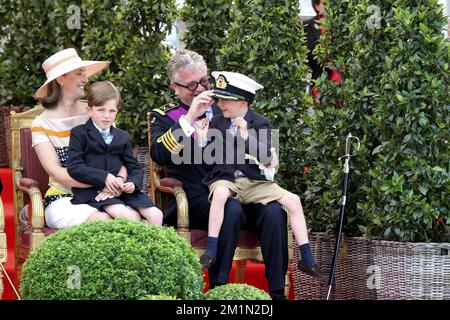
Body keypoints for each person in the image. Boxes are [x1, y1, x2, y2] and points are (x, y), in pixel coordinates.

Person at [149, 49, 289, 300]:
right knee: (229, 209)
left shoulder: (229, 105)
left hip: (243, 186)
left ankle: (277, 293)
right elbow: (159, 154)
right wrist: (190, 117)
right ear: (175, 88)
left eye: (204, 81)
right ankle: (219, 291)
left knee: (274, 212)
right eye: (191, 84)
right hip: (199, 193)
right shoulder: (166, 117)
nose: (200, 88)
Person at [195, 71, 326, 280]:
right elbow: (208, 158)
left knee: (293, 201)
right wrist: (202, 139)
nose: (219, 104)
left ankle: (307, 258)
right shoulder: (218, 122)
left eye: (225, 100)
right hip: (227, 179)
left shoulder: (259, 122)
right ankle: (211, 250)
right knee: (220, 195)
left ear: (243, 102)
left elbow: (266, 157)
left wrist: (247, 136)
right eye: (219, 99)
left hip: (254, 182)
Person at [32, 48, 120, 228]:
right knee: (103, 221)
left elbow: (118, 155)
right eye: (79, 74)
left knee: (134, 216)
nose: (86, 80)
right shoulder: (42, 123)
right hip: (64, 199)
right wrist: (102, 181)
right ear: (61, 79)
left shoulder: (97, 112)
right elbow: (57, 172)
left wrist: (115, 183)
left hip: (105, 192)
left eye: (85, 74)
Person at [67, 81, 163, 225]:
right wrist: (104, 177)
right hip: (95, 192)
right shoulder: (79, 133)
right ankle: (135, 248)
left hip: (123, 190)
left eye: (112, 111)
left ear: (117, 111)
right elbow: (74, 166)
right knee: (127, 215)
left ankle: (155, 248)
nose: (107, 116)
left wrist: (131, 183)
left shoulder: (122, 136)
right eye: (101, 110)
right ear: (89, 109)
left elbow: (134, 167)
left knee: (157, 215)